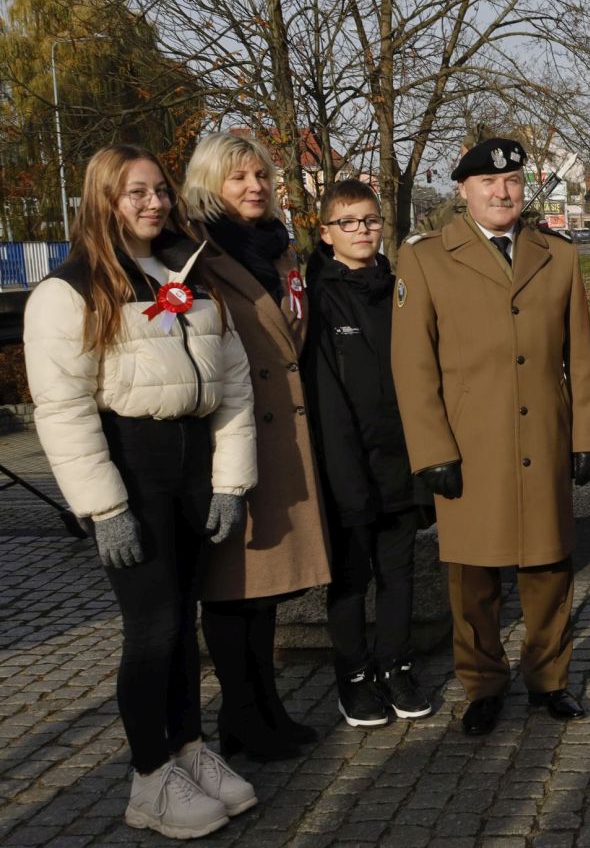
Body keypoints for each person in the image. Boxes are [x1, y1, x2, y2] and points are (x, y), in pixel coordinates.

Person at [25, 145, 257, 838]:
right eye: (136, 192)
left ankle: (188, 748)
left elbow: (233, 385)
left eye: (160, 190)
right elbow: (63, 408)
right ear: (104, 199)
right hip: (133, 471)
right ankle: (150, 777)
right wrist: (106, 508)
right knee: (152, 628)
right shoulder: (69, 290)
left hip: (194, 469)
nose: (154, 203)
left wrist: (229, 482)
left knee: (182, 620)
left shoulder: (188, 274)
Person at [391, 137, 590, 736]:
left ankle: (549, 679)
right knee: (473, 577)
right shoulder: (427, 258)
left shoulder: (556, 255)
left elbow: (579, 356)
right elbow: (413, 365)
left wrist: (589, 434)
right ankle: (483, 684)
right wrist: (432, 451)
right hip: (470, 444)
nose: (502, 192)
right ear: (464, 190)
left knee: (549, 568)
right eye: (488, 182)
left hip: (544, 436)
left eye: (511, 181)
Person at [185, 132, 331, 761]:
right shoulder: (195, 253)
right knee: (231, 585)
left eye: (262, 176)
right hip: (229, 438)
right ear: (209, 183)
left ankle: (264, 706)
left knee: (264, 585)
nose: (255, 187)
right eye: (239, 177)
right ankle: (241, 714)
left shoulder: (278, 248)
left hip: (279, 434)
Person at [302, 179, 434, 727]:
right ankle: (354, 677)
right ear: (326, 232)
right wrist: (343, 473)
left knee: (399, 574)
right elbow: (326, 399)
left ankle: (395, 666)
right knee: (351, 578)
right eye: (348, 222)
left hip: (400, 459)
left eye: (371, 220)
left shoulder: (400, 290)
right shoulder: (316, 297)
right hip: (346, 465)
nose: (362, 230)